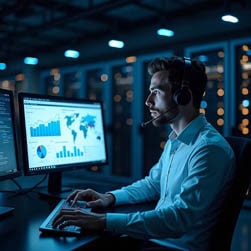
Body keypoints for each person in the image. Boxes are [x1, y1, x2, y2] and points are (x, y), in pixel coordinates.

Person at [52, 56, 236, 251]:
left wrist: (103, 220)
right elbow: (152, 184)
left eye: (156, 92)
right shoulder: (177, 140)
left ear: (183, 96)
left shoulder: (208, 149)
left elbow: (179, 219)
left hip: (174, 247)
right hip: (157, 239)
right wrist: (109, 197)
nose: (148, 101)